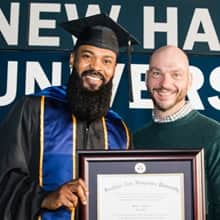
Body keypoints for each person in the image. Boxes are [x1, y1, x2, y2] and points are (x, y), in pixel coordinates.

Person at [0, 14, 138, 220]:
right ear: (73, 59)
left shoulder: (119, 130)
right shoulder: (33, 109)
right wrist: (45, 198)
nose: (96, 67)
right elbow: (5, 177)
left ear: (114, 70)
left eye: (106, 61)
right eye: (87, 56)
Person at [134, 45, 220, 220]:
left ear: (189, 81)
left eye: (176, 75)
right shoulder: (136, 139)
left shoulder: (215, 136)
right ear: (147, 78)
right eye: (157, 73)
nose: (165, 84)